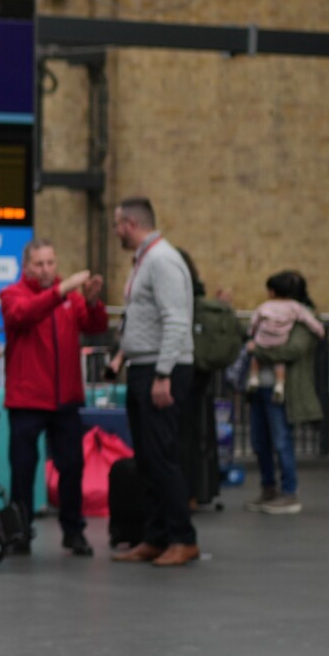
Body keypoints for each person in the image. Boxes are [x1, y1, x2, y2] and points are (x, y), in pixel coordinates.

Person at [0, 240, 109, 557]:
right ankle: (20, 531)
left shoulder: (69, 297)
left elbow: (95, 326)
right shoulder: (12, 294)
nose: (46, 270)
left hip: (65, 399)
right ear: (27, 267)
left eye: (51, 263)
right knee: (22, 468)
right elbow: (23, 315)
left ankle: (73, 530)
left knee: (72, 466)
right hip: (27, 398)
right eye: (39, 264)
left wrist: (91, 302)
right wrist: (60, 293)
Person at [110, 195, 198, 567]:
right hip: (143, 366)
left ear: (130, 224)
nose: (115, 231)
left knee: (161, 456)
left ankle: (183, 537)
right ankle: (157, 536)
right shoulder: (145, 261)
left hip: (163, 371)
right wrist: (121, 357)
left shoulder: (162, 260)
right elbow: (141, 319)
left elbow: (176, 320)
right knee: (146, 459)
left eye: (117, 224)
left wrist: (163, 374)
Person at [244, 269, 326, 514]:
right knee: (260, 441)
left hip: (283, 389)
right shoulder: (273, 312)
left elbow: (292, 350)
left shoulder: (303, 318)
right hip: (260, 386)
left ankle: (289, 492)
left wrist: (257, 350)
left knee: (281, 440)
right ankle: (268, 488)